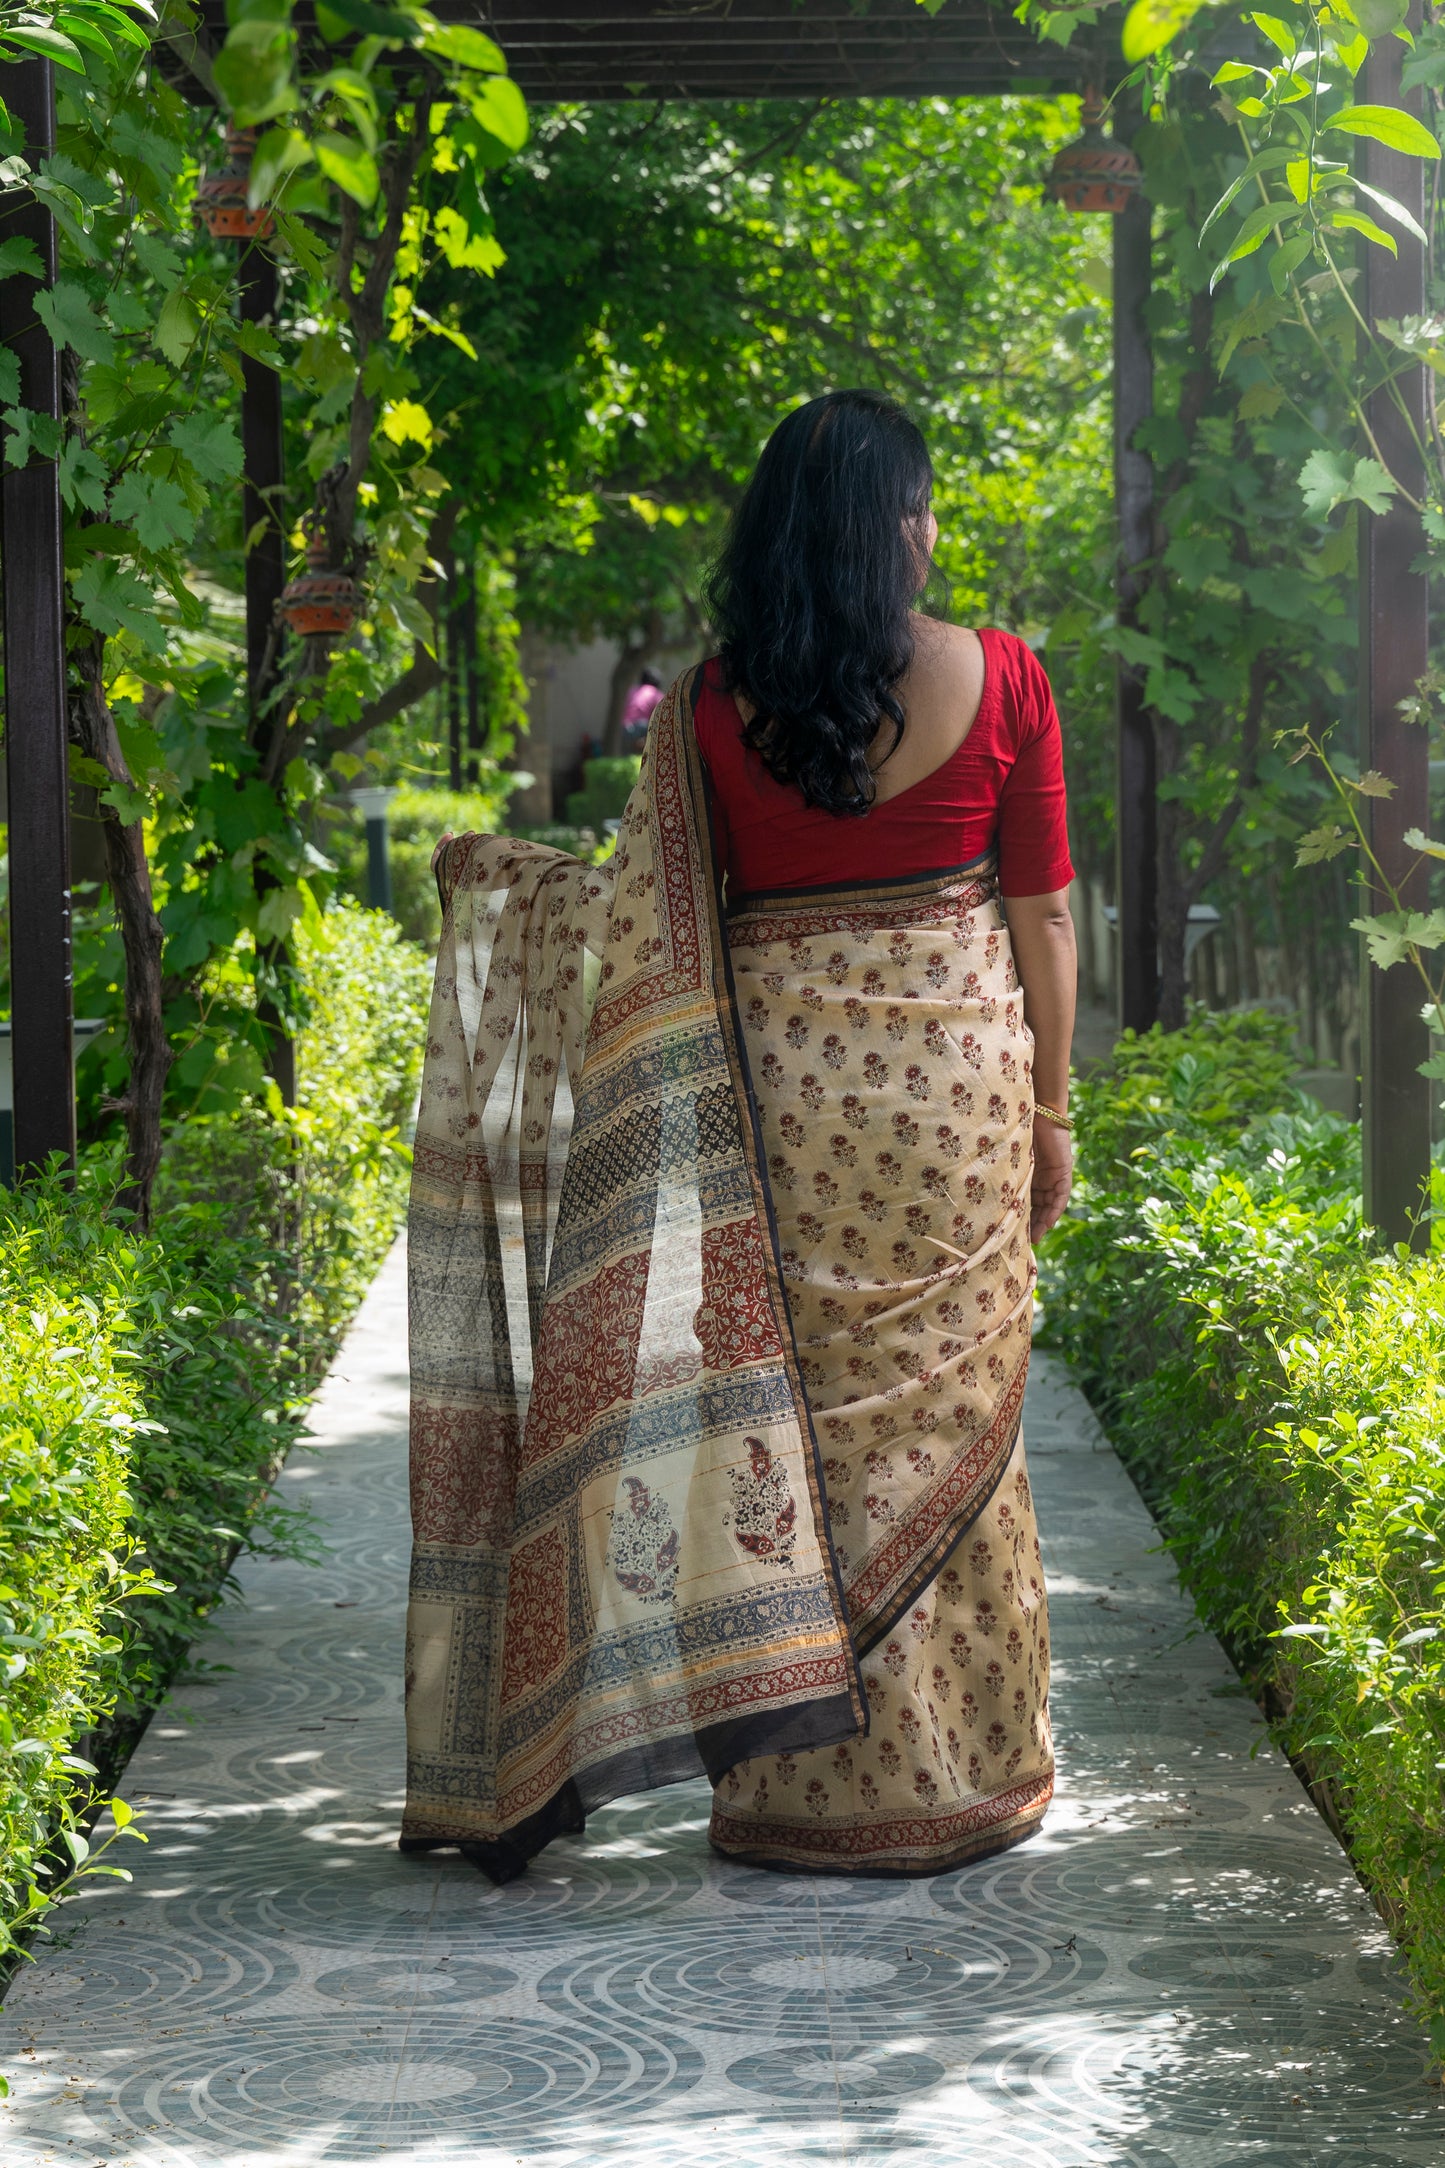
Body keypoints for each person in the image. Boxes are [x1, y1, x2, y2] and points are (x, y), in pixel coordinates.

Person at [402, 389, 1075, 1884]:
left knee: (794, 1414)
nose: (935, 527)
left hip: (777, 1099)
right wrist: (1049, 1110)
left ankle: (796, 1797)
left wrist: (519, 890)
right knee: (961, 1418)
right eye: (921, 502)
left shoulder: (712, 708)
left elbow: (649, 918)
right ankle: (962, 1774)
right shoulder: (1008, 676)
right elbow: (1040, 911)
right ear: (889, 528)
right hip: (953, 1093)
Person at [621, 666, 663, 750]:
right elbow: (662, 710)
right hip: (642, 726)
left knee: (627, 754)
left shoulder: (633, 690)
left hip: (625, 726)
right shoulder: (655, 693)